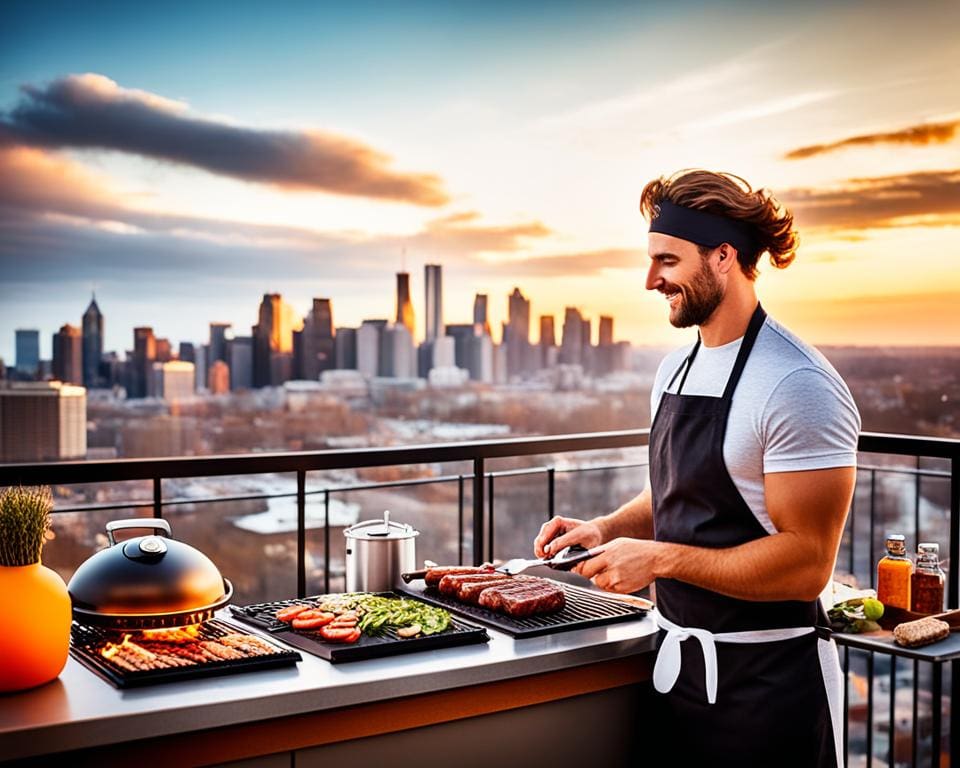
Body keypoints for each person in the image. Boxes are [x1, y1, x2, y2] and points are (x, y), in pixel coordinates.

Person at [534, 170, 860, 767]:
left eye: (667, 260)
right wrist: (606, 529)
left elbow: (807, 565)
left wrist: (657, 558)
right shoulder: (676, 370)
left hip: (768, 689)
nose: (651, 280)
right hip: (674, 675)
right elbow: (680, 492)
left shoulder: (797, 385)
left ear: (723, 257)